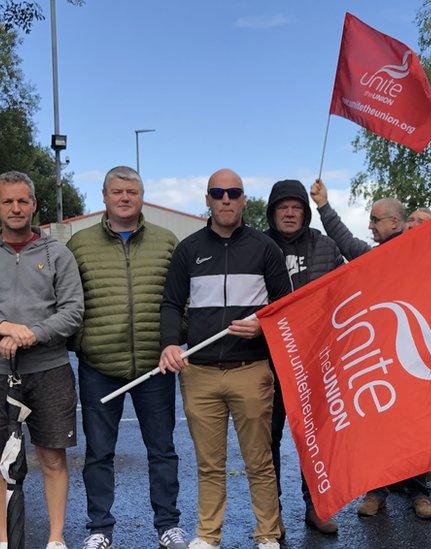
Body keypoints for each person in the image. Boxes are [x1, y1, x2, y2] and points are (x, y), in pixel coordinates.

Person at [0, 171, 83, 549]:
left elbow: (73, 311)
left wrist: (32, 333)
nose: (16, 208)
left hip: (49, 369)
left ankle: (56, 538)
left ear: (34, 205)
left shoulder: (58, 254)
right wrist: (3, 326)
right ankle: (4, 539)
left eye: (23, 200)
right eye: (7, 201)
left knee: (52, 456)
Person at [159, 169, 291, 549]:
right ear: (207, 200)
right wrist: (170, 343)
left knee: (259, 460)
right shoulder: (188, 249)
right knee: (209, 463)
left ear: (244, 199)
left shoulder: (266, 248)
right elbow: (171, 303)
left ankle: (268, 533)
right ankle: (208, 535)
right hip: (199, 373)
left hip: (251, 370)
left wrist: (264, 327)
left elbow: (285, 307)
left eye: (233, 192)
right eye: (218, 193)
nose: (226, 199)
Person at [67, 166, 186, 549]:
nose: (124, 197)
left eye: (132, 191)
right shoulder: (80, 243)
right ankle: (99, 528)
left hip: (155, 366)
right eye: (117, 191)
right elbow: (69, 298)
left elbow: (181, 298)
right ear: (104, 196)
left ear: (142, 196)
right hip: (99, 365)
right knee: (99, 452)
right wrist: (81, 341)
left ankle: (167, 524)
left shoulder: (167, 242)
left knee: (162, 449)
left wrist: (176, 338)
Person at [308, 179, 431, 520]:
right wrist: (323, 206)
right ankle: (375, 492)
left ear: (395, 222)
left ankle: (419, 492)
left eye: (376, 219)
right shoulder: (376, 257)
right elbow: (347, 242)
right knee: (378, 426)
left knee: (415, 427)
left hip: (416, 360)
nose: (370, 225)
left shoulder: (429, 260)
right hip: (379, 358)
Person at [263, 179, 343, 534]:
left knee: (317, 438)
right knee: (269, 438)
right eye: (283, 207)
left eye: (296, 206)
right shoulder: (259, 246)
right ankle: (272, 512)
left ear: (305, 211)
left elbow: (347, 287)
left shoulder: (325, 245)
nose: (290, 212)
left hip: (315, 359)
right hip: (270, 358)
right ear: (272, 212)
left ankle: (317, 506)